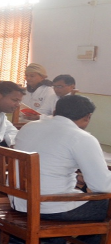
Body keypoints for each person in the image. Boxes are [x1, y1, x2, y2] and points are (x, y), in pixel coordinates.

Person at [12, 95, 111, 244]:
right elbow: (102, 186)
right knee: (106, 205)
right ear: (87, 117)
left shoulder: (30, 126)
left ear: (55, 110)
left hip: (19, 201)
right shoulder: (81, 137)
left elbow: (49, 164)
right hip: (50, 206)